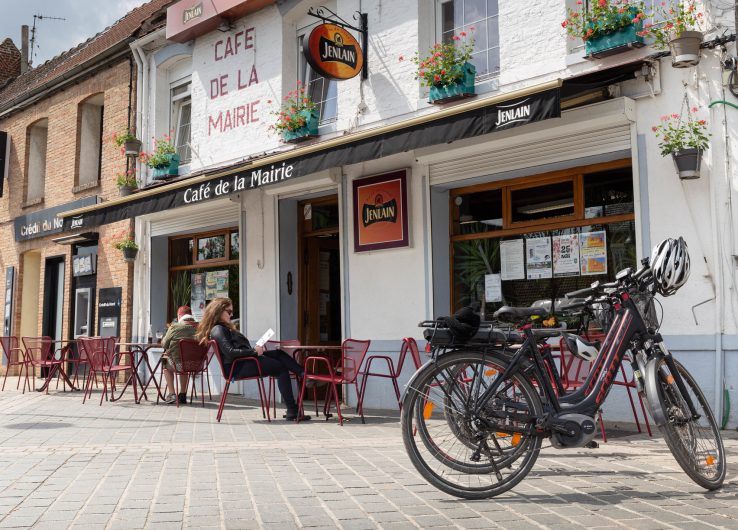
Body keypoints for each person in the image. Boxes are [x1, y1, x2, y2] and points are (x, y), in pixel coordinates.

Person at [195, 297, 310, 421]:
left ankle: (304, 374)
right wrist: (254, 351)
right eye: (229, 312)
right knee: (280, 368)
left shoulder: (223, 328)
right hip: (237, 366)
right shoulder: (218, 329)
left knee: (278, 354)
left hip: (243, 362)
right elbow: (230, 352)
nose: (231, 315)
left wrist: (255, 351)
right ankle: (292, 409)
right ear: (219, 311)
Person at [161, 305, 198, 404]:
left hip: (178, 364)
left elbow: (164, 344)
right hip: (196, 364)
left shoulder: (174, 327)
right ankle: (182, 394)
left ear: (179, 316)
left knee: (165, 364)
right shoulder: (201, 327)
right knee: (184, 364)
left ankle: (172, 394)